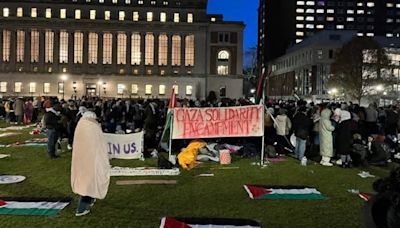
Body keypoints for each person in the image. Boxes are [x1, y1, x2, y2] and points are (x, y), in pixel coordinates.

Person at [71, 111, 110, 217]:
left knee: (88, 182)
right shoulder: (92, 127)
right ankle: (81, 209)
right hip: (91, 160)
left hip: (82, 160)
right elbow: (99, 142)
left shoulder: (80, 125)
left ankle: (91, 199)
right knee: (88, 185)